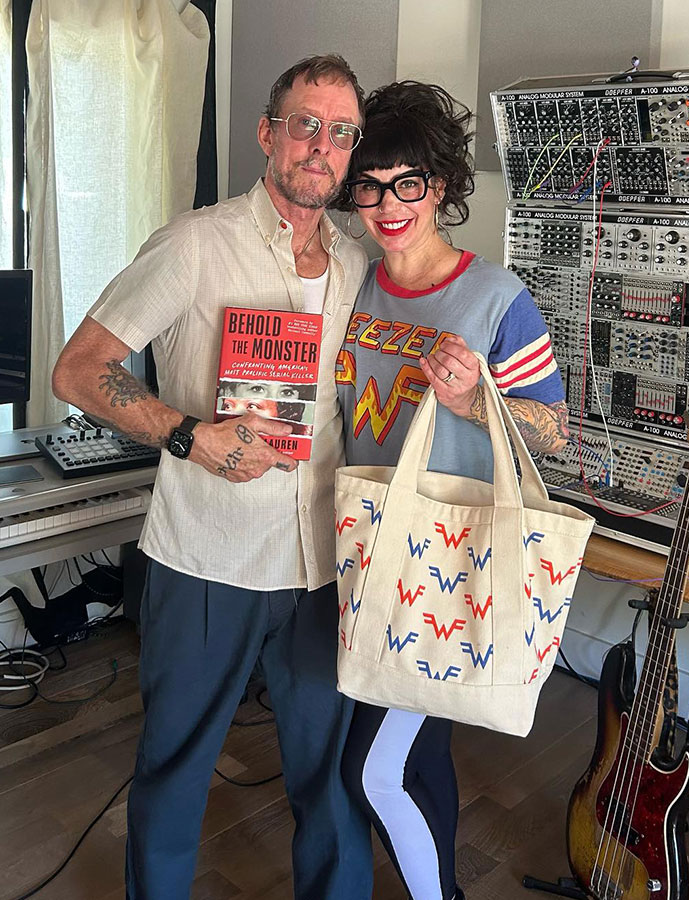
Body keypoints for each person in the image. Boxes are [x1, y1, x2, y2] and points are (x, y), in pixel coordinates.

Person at [52, 55, 372, 900]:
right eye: (305, 123)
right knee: (175, 772)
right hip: (206, 563)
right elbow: (80, 371)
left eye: (341, 133)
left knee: (331, 779)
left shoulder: (358, 264)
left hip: (319, 568)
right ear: (269, 134)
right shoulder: (196, 243)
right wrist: (192, 436)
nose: (321, 147)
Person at [333, 81, 569, 900]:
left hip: (445, 567)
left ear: (440, 186)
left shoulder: (498, 299)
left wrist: (479, 401)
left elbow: (554, 434)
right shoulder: (353, 285)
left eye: (411, 182)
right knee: (414, 752)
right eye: (370, 184)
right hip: (360, 554)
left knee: (373, 770)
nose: (390, 204)